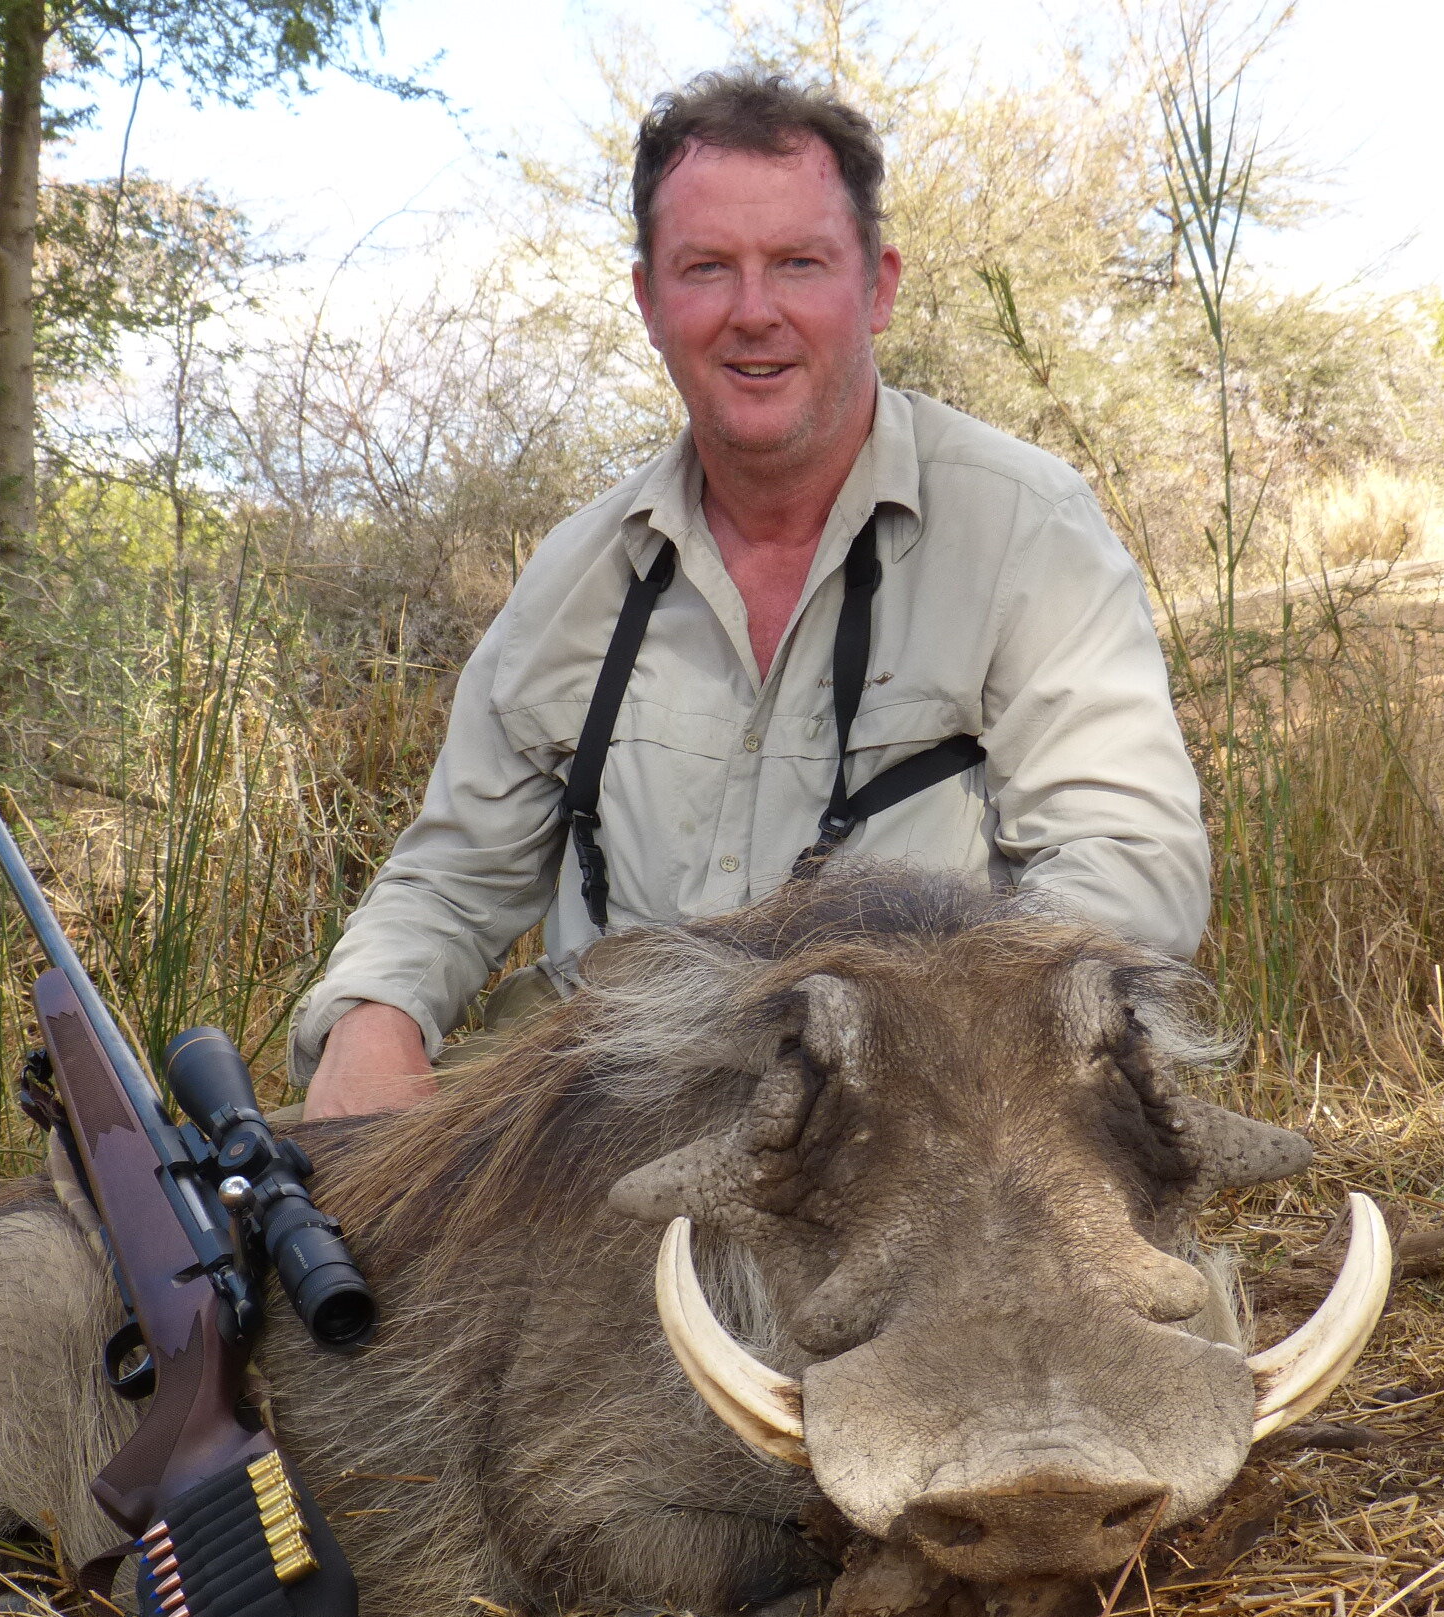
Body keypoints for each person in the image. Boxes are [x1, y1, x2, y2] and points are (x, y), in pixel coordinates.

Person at [295, 70, 1210, 1119]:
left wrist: (934, 1035)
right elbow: (451, 878)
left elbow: (1131, 867)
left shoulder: (1027, 529)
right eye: (706, 269)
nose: (752, 313)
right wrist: (375, 1017)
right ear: (648, 301)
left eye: (798, 264)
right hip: (609, 1108)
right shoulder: (573, 573)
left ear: (877, 286)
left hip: (926, 1109)